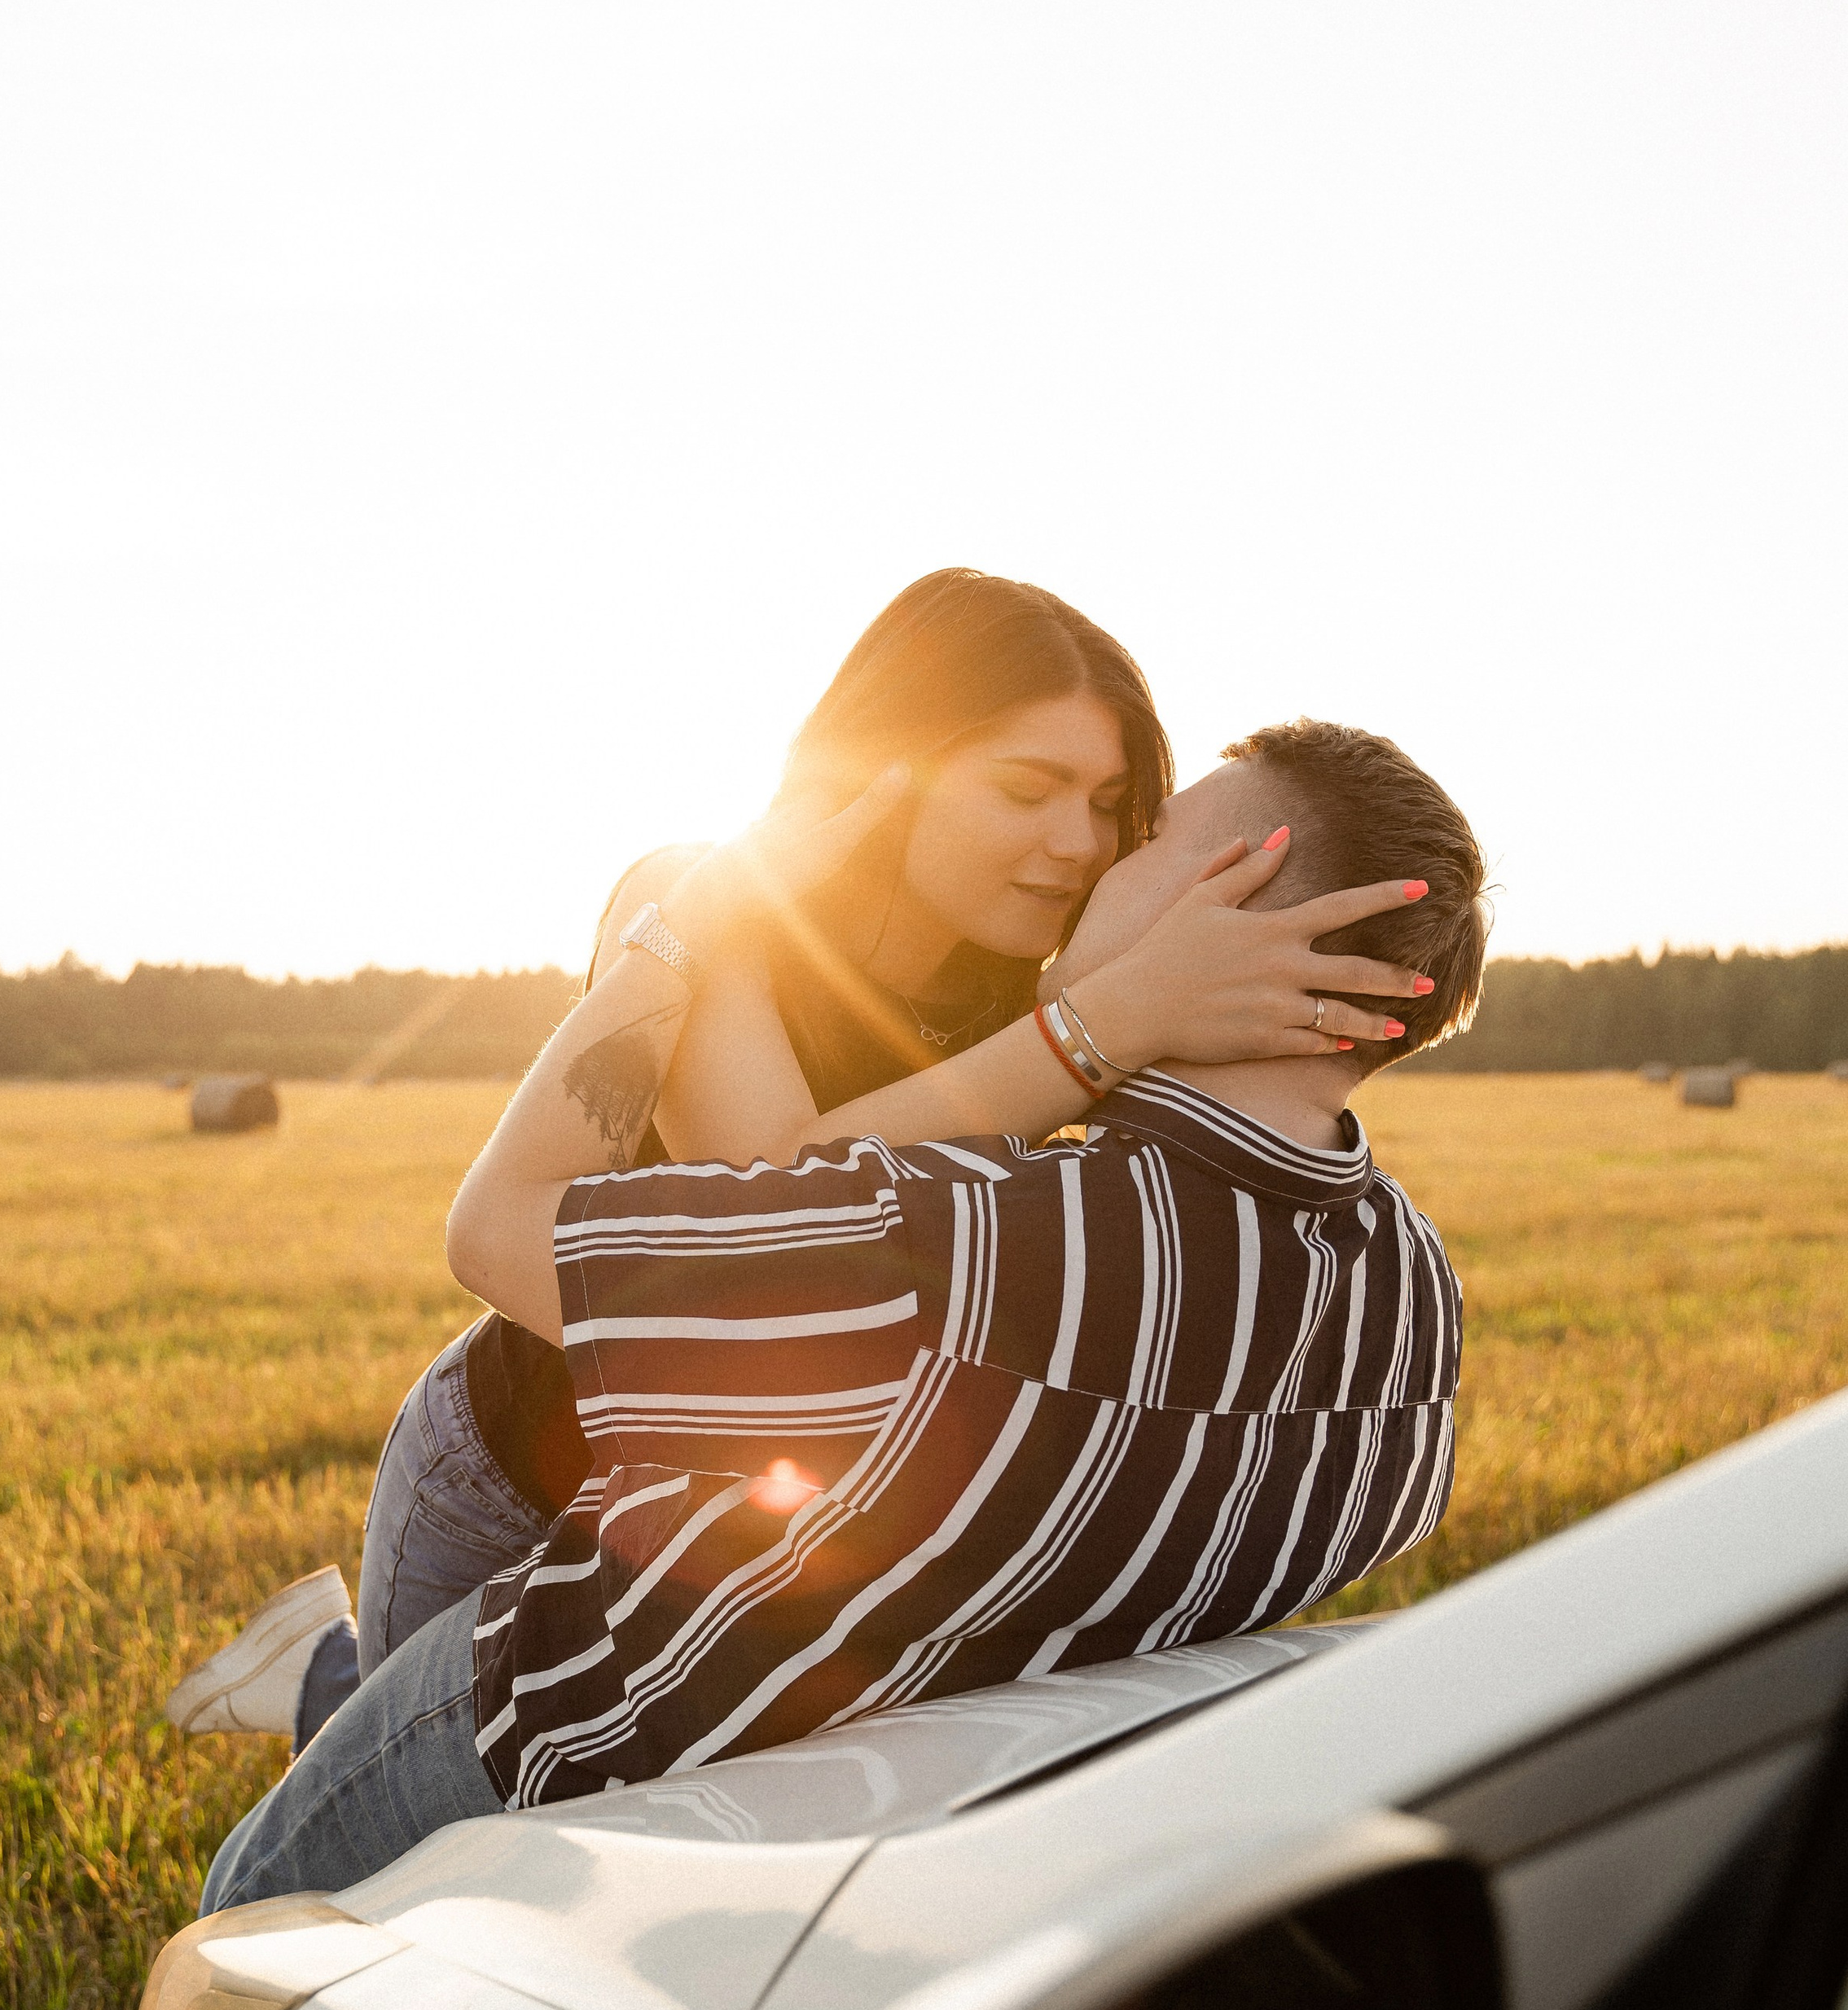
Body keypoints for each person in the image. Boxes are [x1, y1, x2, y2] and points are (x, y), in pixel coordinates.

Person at [199, 713, 1483, 1911]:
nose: (1093, 863)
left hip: (563, 1735)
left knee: (252, 1938)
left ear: (1238, 901)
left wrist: (677, 925)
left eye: (1145, 840)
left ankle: (318, 1683)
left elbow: (496, 1230)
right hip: (878, 1857)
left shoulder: (967, 1242)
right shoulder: (1421, 1309)